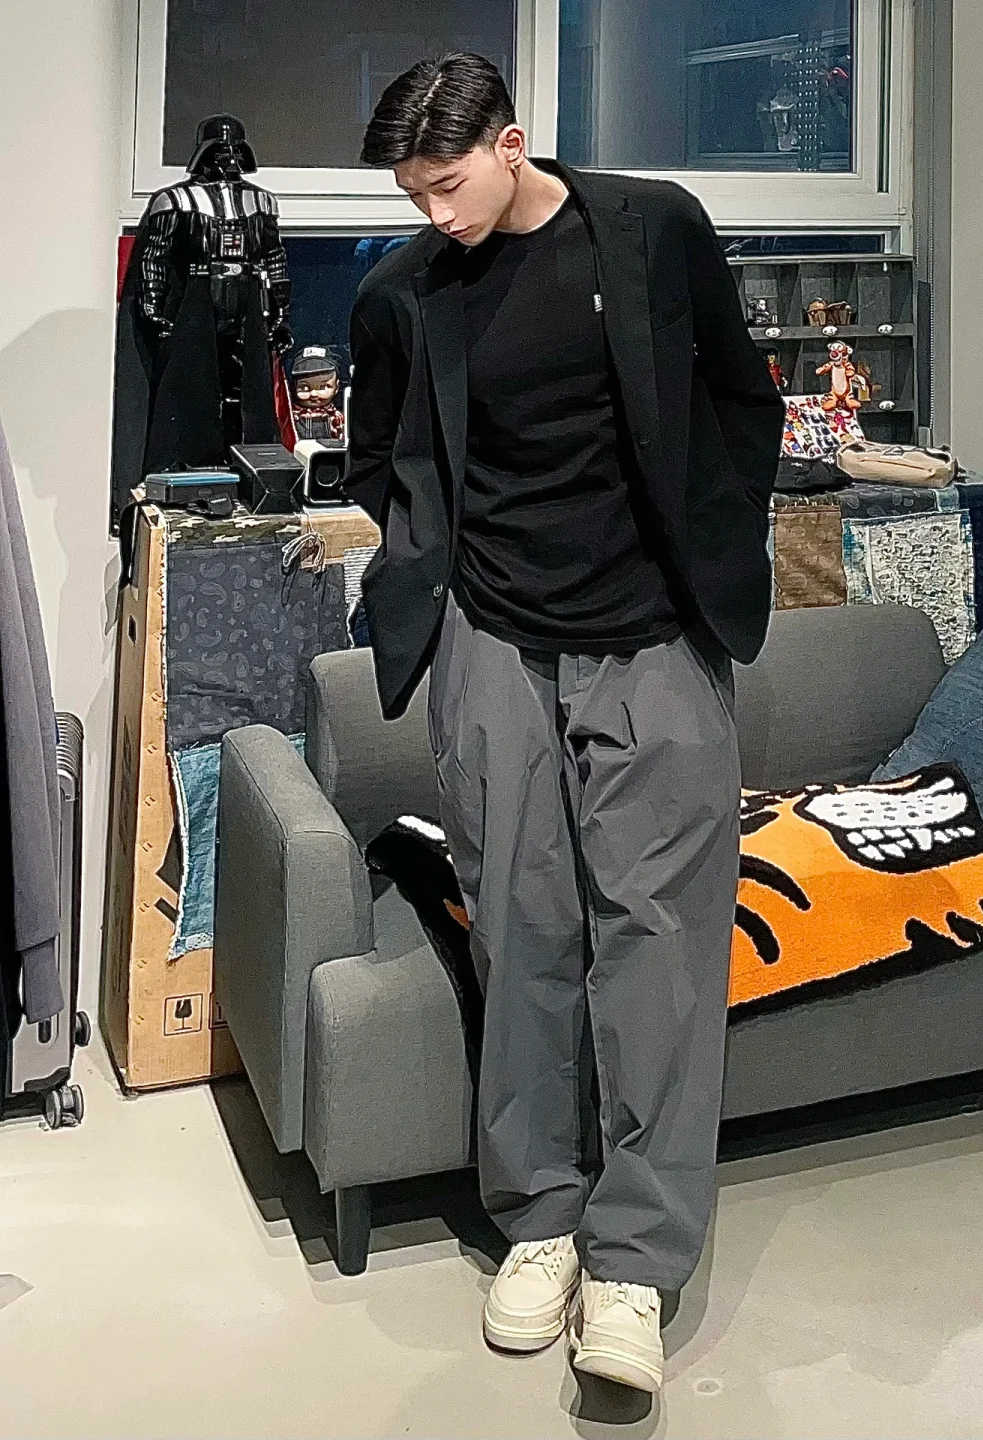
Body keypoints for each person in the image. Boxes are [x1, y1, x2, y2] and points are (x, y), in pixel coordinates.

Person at [347, 52, 783, 1396]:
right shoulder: (404, 292)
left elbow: (740, 401)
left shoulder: (651, 229)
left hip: (652, 636)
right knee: (521, 923)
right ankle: (541, 1217)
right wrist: (430, 575)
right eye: (413, 195)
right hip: (492, 642)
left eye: (448, 183)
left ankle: (636, 1261)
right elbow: (380, 456)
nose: (435, 213)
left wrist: (707, 547)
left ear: (512, 141)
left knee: (659, 941)